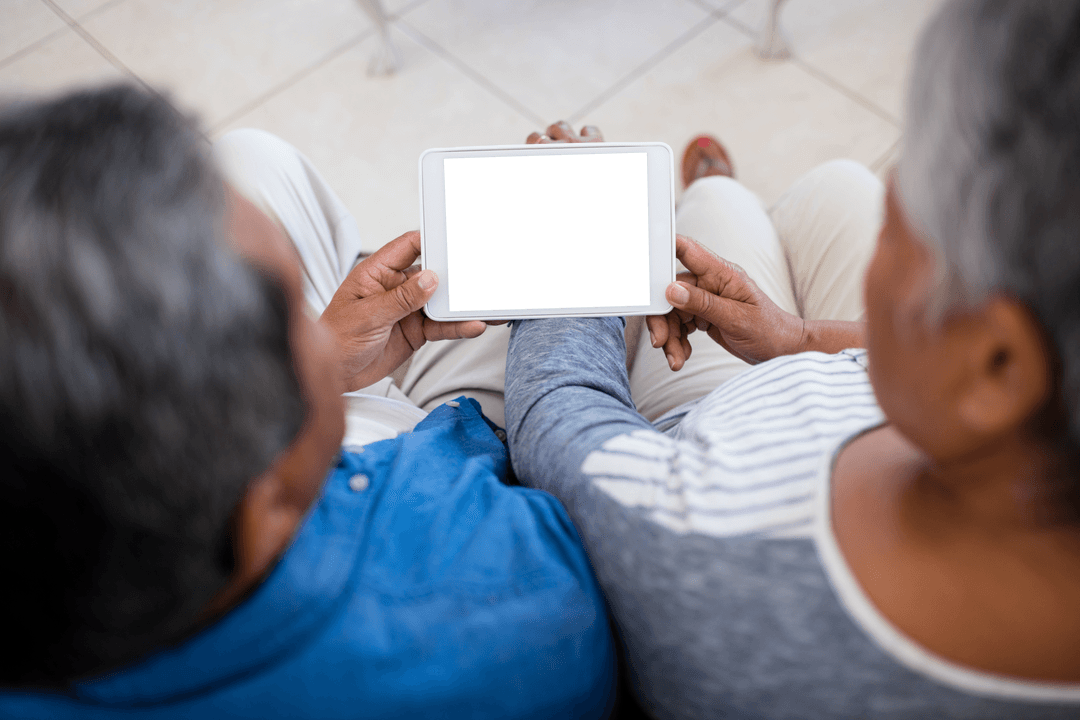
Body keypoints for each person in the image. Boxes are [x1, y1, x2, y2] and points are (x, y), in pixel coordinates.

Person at [504, 0, 1080, 717]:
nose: (883, 258)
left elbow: (556, 411)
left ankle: (712, 194)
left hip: (710, 424)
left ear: (997, 367)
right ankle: (734, 204)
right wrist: (798, 338)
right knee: (841, 187)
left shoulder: (703, 541)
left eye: (899, 237)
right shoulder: (1015, 434)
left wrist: (567, 229)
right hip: (812, 365)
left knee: (721, 206)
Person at [0, 84, 616, 718]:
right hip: (467, 449)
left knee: (250, 157)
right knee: (694, 244)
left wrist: (314, 352)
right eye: (300, 316)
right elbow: (588, 461)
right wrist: (575, 262)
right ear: (268, 496)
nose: (325, 326)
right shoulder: (521, 600)